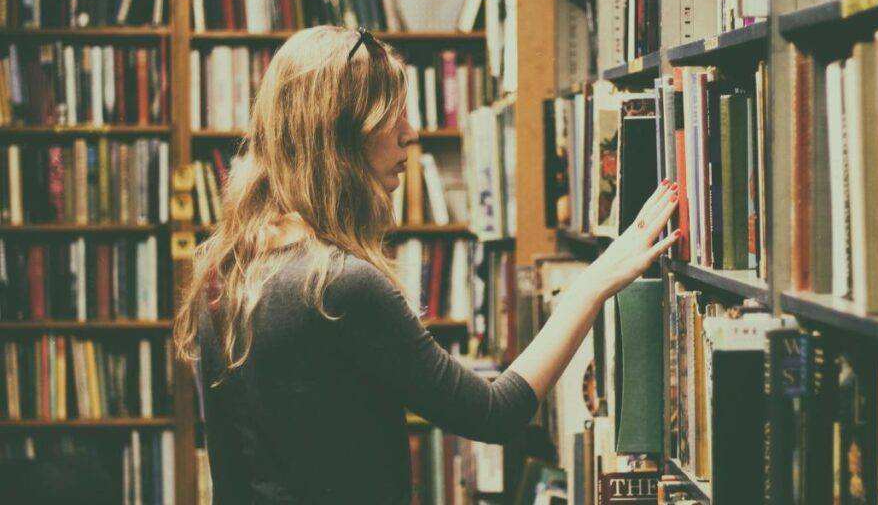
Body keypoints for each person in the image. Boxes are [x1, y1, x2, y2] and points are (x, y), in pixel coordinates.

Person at [173, 26, 680, 504]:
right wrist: (590, 286)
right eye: (391, 115)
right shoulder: (341, 287)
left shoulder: (225, 275)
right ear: (341, 133)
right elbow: (495, 413)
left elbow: (234, 476)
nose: (409, 134)